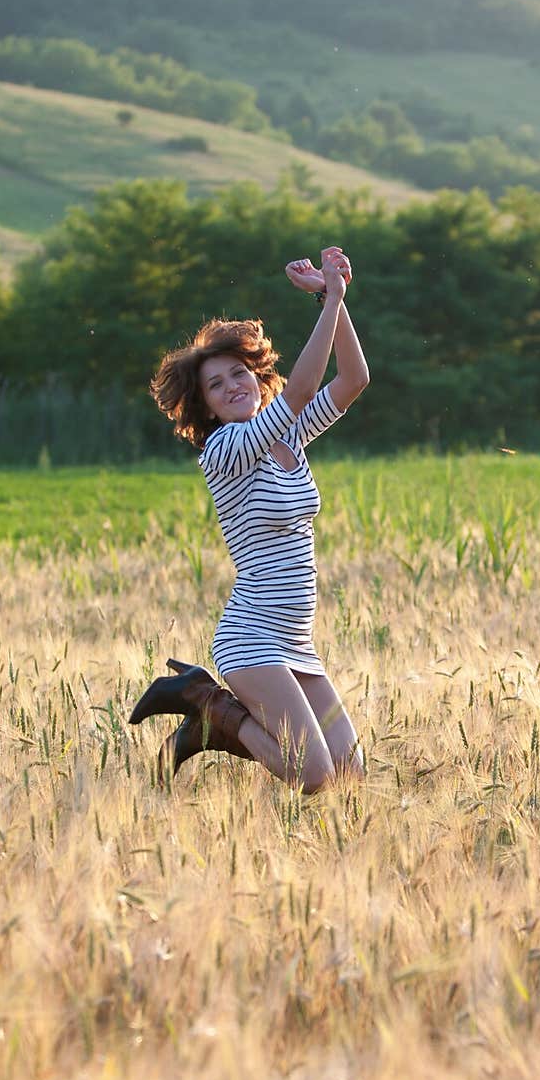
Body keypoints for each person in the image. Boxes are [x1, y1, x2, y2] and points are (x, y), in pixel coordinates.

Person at [128, 245, 369, 793]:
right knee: (312, 776)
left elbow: (353, 379)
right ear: (208, 407)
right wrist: (329, 296)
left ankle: (211, 717)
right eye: (217, 385)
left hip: (296, 638)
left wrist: (336, 299)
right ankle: (209, 706)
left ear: (257, 376)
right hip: (253, 638)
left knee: (351, 779)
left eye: (239, 373)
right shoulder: (226, 448)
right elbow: (304, 386)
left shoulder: (288, 435)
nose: (233, 386)